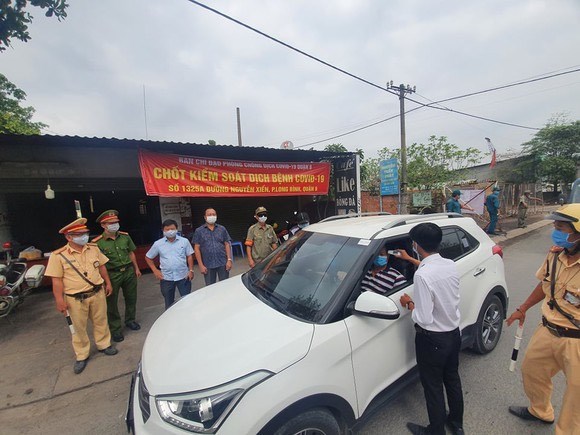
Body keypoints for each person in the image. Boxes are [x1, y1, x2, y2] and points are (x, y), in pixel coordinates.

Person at [506, 204, 580, 434]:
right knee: (532, 371)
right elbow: (545, 284)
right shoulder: (555, 255)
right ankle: (541, 411)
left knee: (576, 396)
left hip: (576, 340)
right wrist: (523, 307)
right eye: (555, 226)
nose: (555, 231)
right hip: (547, 330)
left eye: (561, 227)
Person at [399, 223, 464, 435]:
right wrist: (410, 260)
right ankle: (456, 423)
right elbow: (432, 271)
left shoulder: (422, 276)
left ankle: (435, 431)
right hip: (453, 334)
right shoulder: (449, 264)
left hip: (432, 340)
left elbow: (424, 318)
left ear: (416, 244)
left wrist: (410, 304)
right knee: (452, 379)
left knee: (433, 387)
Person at [44, 218, 118, 375]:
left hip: (97, 292)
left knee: (101, 321)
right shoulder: (58, 256)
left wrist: (108, 283)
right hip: (75, 298)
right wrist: (59, 300)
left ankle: (104, 344)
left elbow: (102, 267)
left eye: (85, 233)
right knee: (78, 328)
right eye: (79, 234)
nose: (84, 236)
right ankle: (82, 354)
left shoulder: (93, 248)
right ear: (68, 237)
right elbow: (56, 281)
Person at [92, 210, 141, 343]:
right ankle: (115, 329)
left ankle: (130, 320)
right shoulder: (97, 243)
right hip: (112, 274)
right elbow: (97, 264)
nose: (115, 225)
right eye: (111, 223)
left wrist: (136, 268)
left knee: (131, 297)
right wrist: (103, 280)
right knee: (111, 302)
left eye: (116, 222)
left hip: (129, 272)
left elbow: (131, 253)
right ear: (103, 225)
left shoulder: (125, 237)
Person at [145, 219, 194, 310]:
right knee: (169, 303)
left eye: (172, 229)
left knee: (187, 300)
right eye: (167, 229)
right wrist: (155, 271)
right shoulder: (158, 244)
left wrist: (191, 270)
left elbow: (189, 256)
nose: (170, 231)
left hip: (183, 276)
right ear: (163, 231)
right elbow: (148, 257)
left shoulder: (184, 241)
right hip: (166, 278)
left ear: (176, 229)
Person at [192, 208, 233, 286]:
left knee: (225, 286)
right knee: (210, 287)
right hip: (208, 264)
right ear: (205, 217)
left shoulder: (222, 229)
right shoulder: (199, 231)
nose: (212, 216)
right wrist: (200, 265)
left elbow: (227, 244)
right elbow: (196, 248)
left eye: (213, 214)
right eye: (209, 215)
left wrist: (229, 260)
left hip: (222, 263)